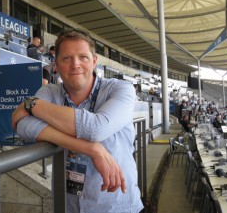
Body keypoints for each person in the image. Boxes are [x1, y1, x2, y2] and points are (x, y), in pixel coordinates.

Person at [12, 28, 144, 213]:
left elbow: (96, 129)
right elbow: (24, 125)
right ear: (56, 64)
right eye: (67, 58)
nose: (75, 65)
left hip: (118, 207)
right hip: (68, 207)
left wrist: (31, 104)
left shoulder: (121, 89)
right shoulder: (49, 92)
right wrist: (91, 148)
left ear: (94, 61)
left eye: (83, 57)